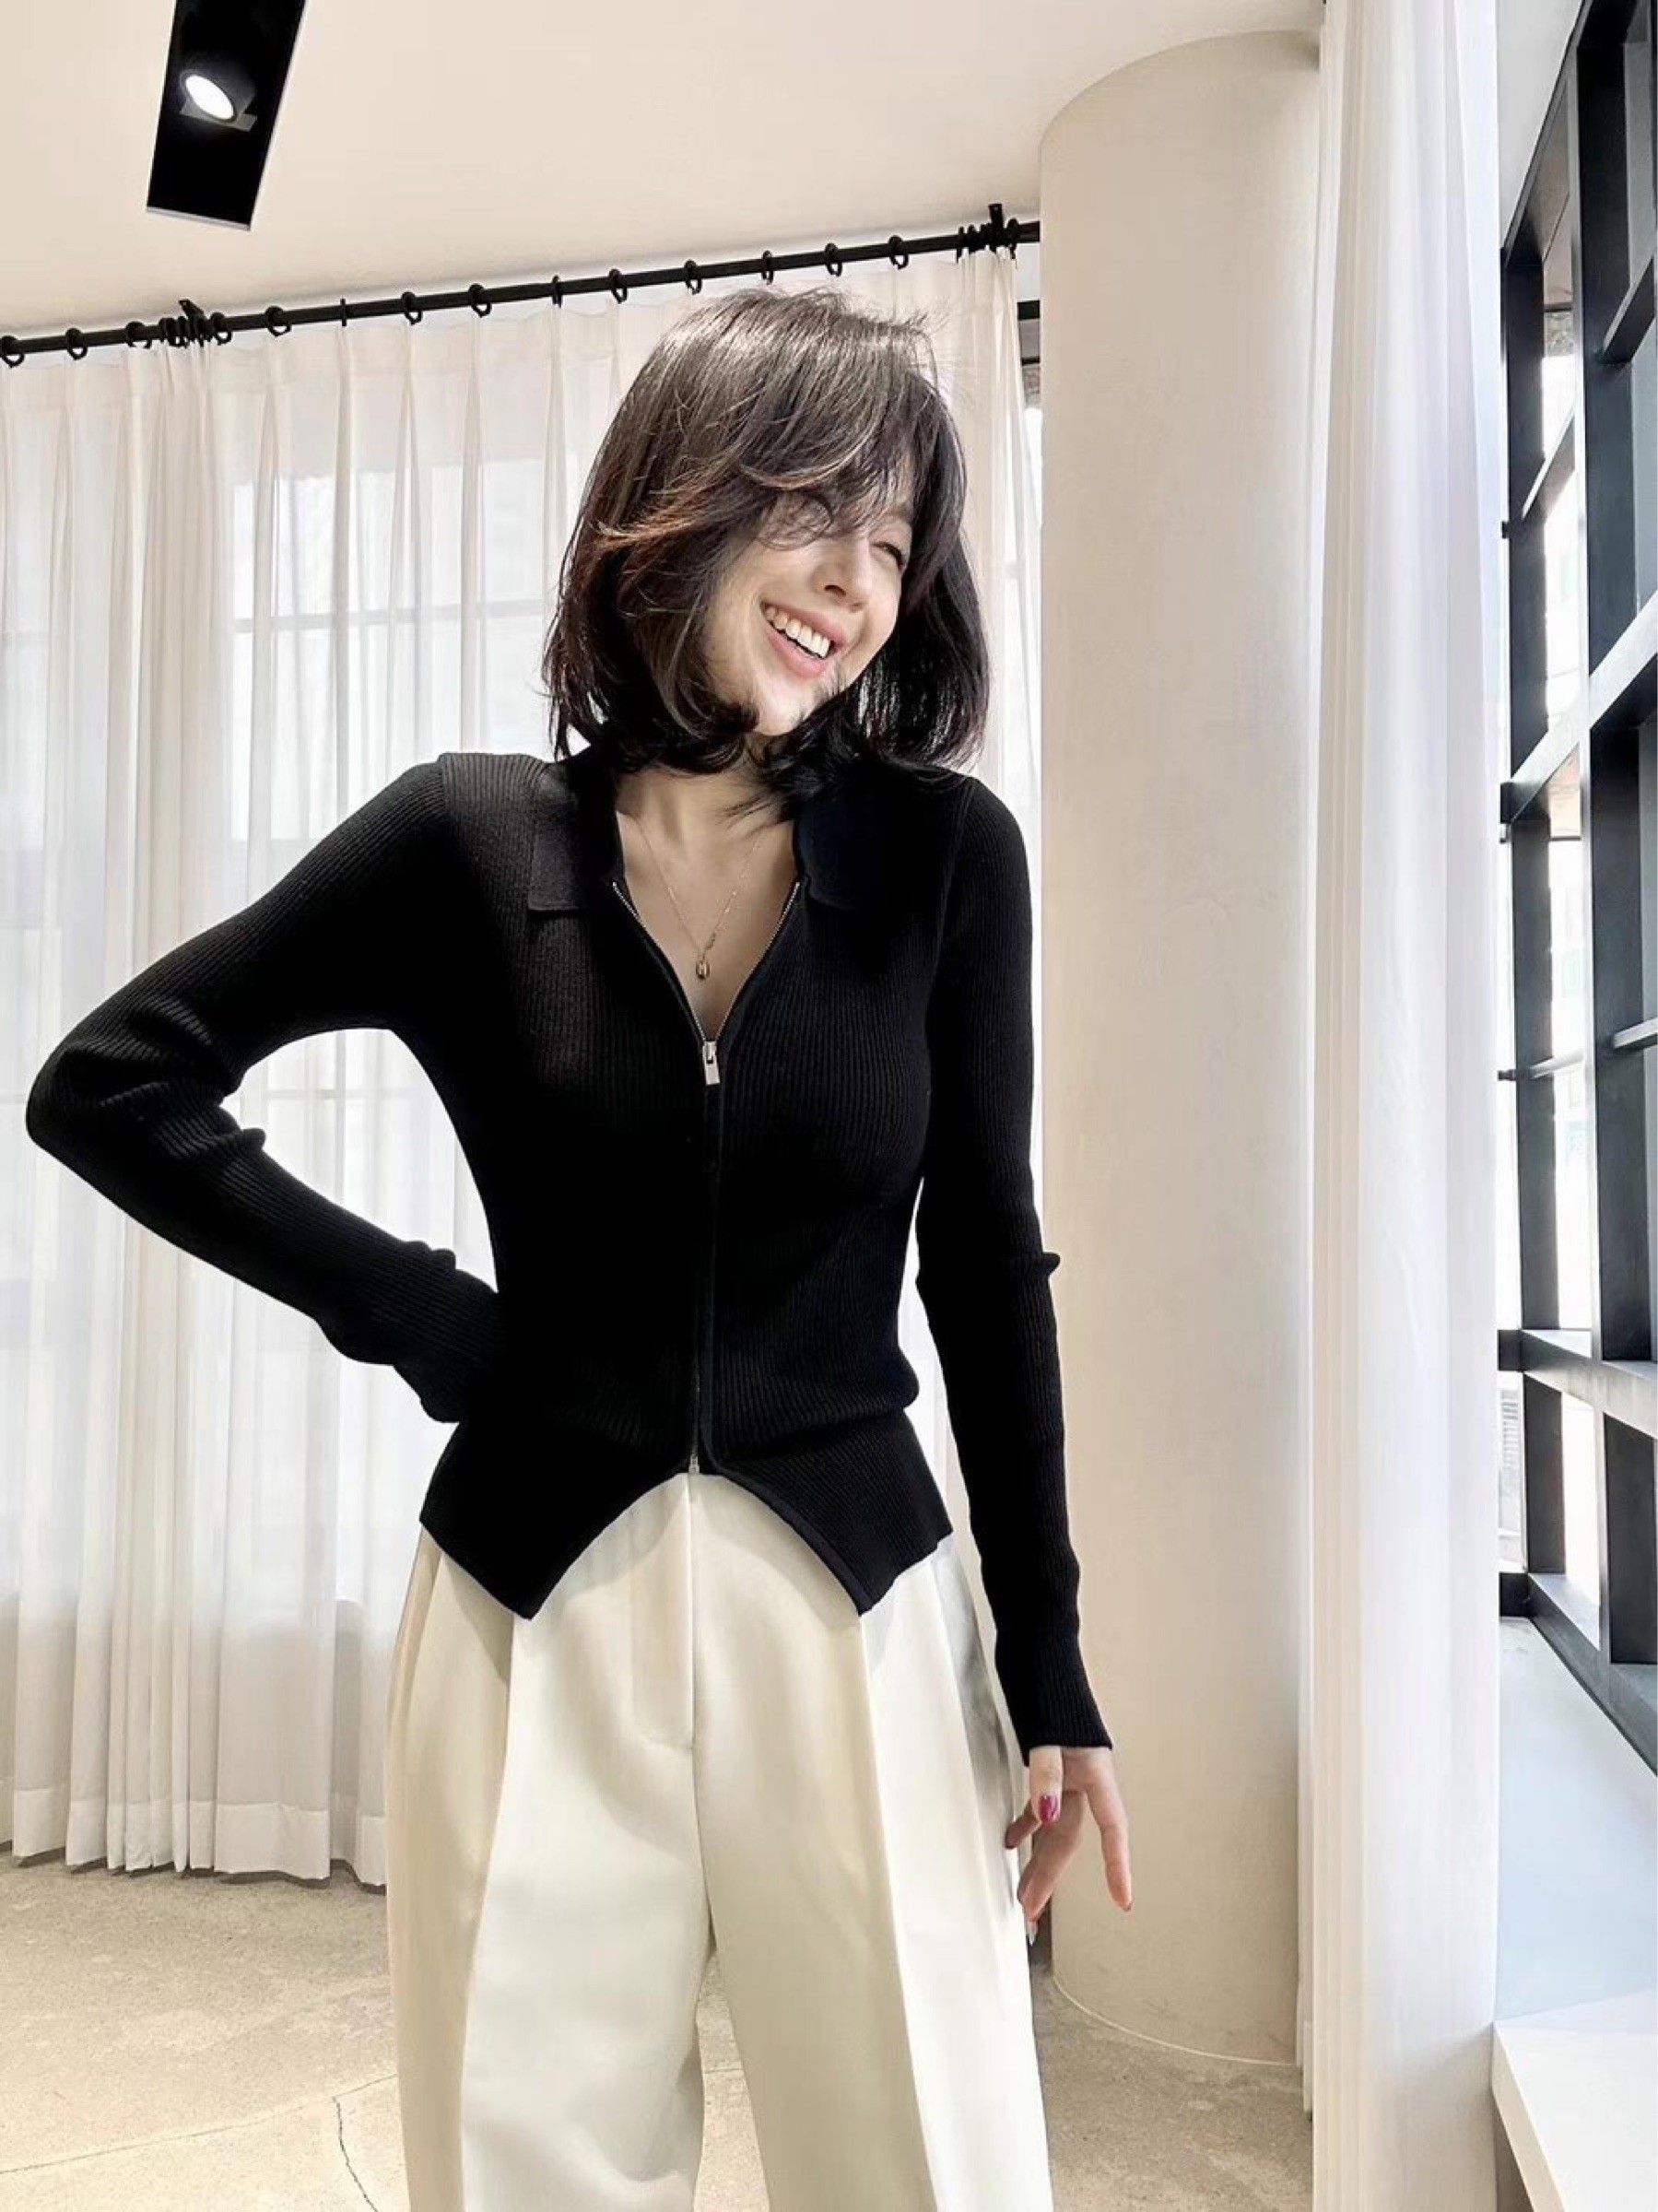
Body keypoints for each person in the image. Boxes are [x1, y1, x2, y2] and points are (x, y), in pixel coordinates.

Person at [26, 282, 1133, 2209]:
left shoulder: (946, 859)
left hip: (855, 1617)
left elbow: (984, 1261)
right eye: (822, 510)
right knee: (520, 2170)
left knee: (930, 2164)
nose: (857, 583)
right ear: (688, 495)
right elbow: (111, 1084)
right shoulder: (471, 842)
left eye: (896, 546)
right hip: (531, 1605)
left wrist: (1050, 1665)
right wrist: (422, 1316)